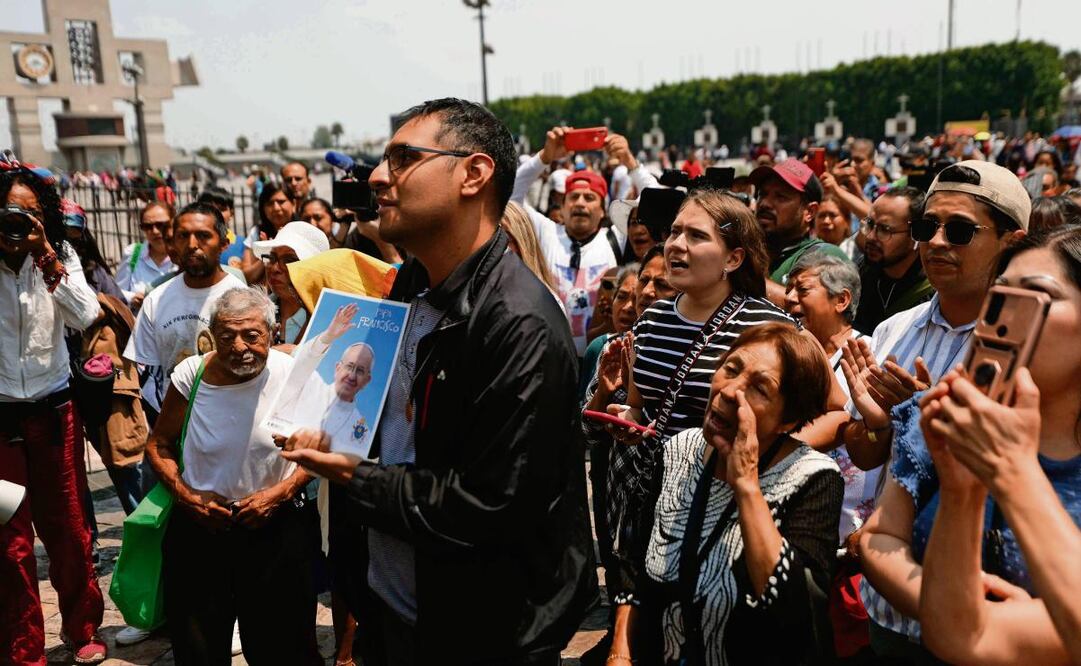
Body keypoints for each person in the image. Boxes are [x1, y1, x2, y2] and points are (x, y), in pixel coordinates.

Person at [279, 97, 597, 664]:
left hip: (479, 633)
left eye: (403, 158)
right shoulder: (409, 284)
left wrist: (358, 478)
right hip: (393, 610)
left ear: (473, 174)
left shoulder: (518, 322)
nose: (378, 176)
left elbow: (489, 506)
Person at [849, 160, 1030, 659]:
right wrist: (881, 422)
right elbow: (864, 456)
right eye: (927, 227)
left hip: (994, 622)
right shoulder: (892, 332)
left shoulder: (1036, 351)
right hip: (892, 613)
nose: (937, 243)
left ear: (1011, 244)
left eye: (960, 230)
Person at [610, 323, 843, 665]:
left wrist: (747, 484)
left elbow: (797, 611)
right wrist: (620, 653)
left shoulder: (812, 478)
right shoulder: (678, 451)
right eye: (730, 369)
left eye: (760, 389)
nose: (730, 390)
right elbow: (636, 561)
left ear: (788, 421)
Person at [914, 225, 1081, 664]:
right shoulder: (969, 432)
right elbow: (959, 639)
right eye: (999, 294)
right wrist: (962, 490)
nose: (1003, 319)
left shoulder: (1008, 460)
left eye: (1036, 299)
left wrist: (1012, 472)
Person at [145, 287, 321, 665]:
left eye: (251, 335)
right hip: (200, 530)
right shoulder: (190, 375)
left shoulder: (295, 373)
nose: (239, 346)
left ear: (272, 333)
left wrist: (282, 493)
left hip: (278, 528)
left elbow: (322, 449)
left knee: (285, 650)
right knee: (198, 650)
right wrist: (186, 496)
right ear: (212, 337)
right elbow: (158, 444)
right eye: (227, 336)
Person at [0, 163, 107, 663]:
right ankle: (25, 648)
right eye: (9, 212)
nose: (18, 222)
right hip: (1, 423)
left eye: (29, 213)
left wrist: (46, 255)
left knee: (67, 530)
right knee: (11, 544)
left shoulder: (58, 255)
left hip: (54, 413)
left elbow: (87, 315)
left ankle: (83, 629)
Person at [512, 128, 659, 354]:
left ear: (602, 211)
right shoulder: (546, 233)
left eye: (590, 198)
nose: (580, 203)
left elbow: (656, 200)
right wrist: (545, 156)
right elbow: (511, 197)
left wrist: (629, 161)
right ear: (562, 206)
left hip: (602, 358)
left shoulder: (614, 238)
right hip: (550, 355)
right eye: (573, 197)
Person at [276, 303, 377, 458]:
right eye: (349, 367)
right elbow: (302, 364)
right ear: (337, 368)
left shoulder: (361, 429)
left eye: (360, 371)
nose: (352, 376)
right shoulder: (312, 384)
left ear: (367, 380)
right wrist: (329, 335)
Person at [750, 158, 852, 305]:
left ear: (809, 211)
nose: (765, 203)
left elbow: (804, 308)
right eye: (762, 194)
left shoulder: (825, 256)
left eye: (780, 197)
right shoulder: (750, 251)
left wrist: (742, 277)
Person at [852, 187, 934, 334]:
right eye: (870, 224)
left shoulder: (932, 294)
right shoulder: (864, 271)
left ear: (915, 235)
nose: (870, 237)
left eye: (884, 230)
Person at [252, 221, 330, 344]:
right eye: (272, 258)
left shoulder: (327, 321)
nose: (274, 268)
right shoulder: (254, 311)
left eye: (289, 260)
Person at [115, 201, 176, 310]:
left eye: (161, 225)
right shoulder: (133, 253)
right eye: (147, 226)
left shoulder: (185, 257)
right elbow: (116, 292)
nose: (155, 231)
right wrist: (132, 298)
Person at [500, 200, 559, 298]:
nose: (497, 246)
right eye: (491, 238)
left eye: (507, 238)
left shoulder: (545, 300)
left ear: (523, 244)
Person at [241, 182, 295, 284]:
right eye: (270, 203)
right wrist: (268, 253)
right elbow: (247, 277)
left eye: (281, 202)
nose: (276, 208)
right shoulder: (256, 233)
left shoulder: (303, 231)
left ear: (293, 204)